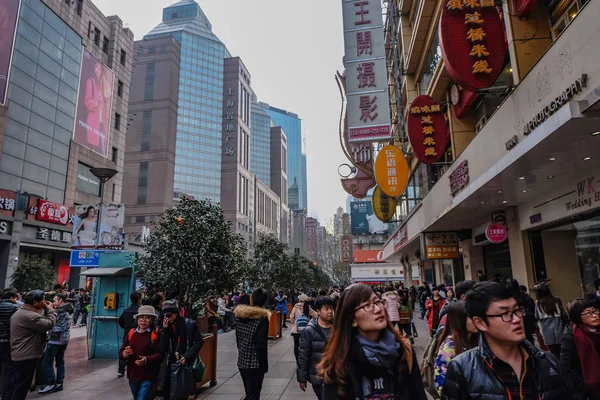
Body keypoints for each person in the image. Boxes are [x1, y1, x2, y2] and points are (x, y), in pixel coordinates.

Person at [441, 282, 567, 400]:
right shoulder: (462, 369)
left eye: (517, 310)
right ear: (480, 323)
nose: (517, 319)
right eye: (505, 314)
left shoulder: (549, 363)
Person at [319, 284, 427, 399]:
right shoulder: (340, 361)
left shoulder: (404, 351)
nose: (377, 309)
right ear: (353, 319)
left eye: (377, 302)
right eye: (367, 305)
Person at [10, 290, 57, 400]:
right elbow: (48, 324)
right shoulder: (30, 316)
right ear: (35, 302)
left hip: (20, 353)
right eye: (43, 300)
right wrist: (51, 311)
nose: (44, 302)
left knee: (18, 384)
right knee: (21, 387)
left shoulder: (21, 312)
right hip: (26, 355)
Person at [159, 300, 204, 400]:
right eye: (164, 315)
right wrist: (165, 330)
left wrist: (187, 355)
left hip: (184, 363)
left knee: (184, 393)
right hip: (169, 364)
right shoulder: (165, 326)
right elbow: (163, 346)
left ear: (176, 313)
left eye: (169, 315)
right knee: (168, 393)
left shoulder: (189, 324)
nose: (167, 318)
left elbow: (199, 341)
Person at [433, 302, 478, 397]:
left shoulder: (476, 341)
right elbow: (441, 384)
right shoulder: (449, 348)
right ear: (460, 320)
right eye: (471, 317)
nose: (477, 320)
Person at [560, 298, 600, 399]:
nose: (595, 315)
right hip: (588, 389)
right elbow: (567, 366)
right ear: (578, 317)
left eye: (595, 311)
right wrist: (583, 387)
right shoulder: (571, 337)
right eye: (588, 313)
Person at [119, 305, 162, 400]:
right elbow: (122, 351)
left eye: (147, 318)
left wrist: (146, 359)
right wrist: (124, 354)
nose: (144, 320)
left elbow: (160, 354)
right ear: (137, 319)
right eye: (141, 317)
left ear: (152, 320)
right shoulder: (131, 333)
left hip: (149, 375)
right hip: (133, 374)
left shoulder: (155, 334)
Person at [234, 288, 270, 400]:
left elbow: (238, 340)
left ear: (251, 300)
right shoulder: (262, 319)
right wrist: (264, 366)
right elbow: (261, 344)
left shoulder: (240, 316)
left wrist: (242, 352)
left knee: (249, 393)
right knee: (254, 394)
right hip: (255, 364)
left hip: (242, 361)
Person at [298, 296, 334, 399]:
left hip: (335, 376)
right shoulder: (309, 331)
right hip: (319, 377)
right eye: (326, 309)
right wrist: (302, 378)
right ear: (318, 311)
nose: (330, 312)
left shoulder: (336, 328)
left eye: (331, 308)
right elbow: (303, 355)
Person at [39, 293, 74, 394]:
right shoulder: (68, 309)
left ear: (61, 301)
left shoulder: (60, 311)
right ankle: (59, 382)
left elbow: (48, 322)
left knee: (46, 361)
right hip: (64, 339)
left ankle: (50, 383)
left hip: (56, 339)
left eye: (55, 301)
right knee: (60, 361)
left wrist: (49, 310)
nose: (54, 303)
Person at [534, 284, 566, 357]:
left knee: (553, 353)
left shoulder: (538, 303)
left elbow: (537, 316)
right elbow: (563, 314)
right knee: (562, 352)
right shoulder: (557, 300)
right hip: (559, 329)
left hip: (547, 331)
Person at [118, 291, 142, 377]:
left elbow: (120, 321)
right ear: (139, 299)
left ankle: (121, 369)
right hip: (138, 333)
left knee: (125, 349)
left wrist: (126, 327)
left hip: (127, 332)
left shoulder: (126, 310)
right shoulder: (141, 311)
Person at [0, 290, 18, 399]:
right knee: (9, 368)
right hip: (7, 341)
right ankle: (6, 395)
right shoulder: (14, 308)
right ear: (12, 297)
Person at [506, 278, 536, 343]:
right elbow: (532, 308)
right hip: (527, 320)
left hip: (513, 322)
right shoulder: (525, 296)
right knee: (529, 339)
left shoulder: (507, 298)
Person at [290, 294, 317, 361]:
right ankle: (304, 359)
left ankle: (297, 360)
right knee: (305, 345)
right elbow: (315, 315)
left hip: (296, 329)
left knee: (296, 345)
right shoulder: (308, 307)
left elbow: (291, 317)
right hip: (306, 329)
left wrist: (294, 323)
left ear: (299, 300)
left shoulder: (295, 307)